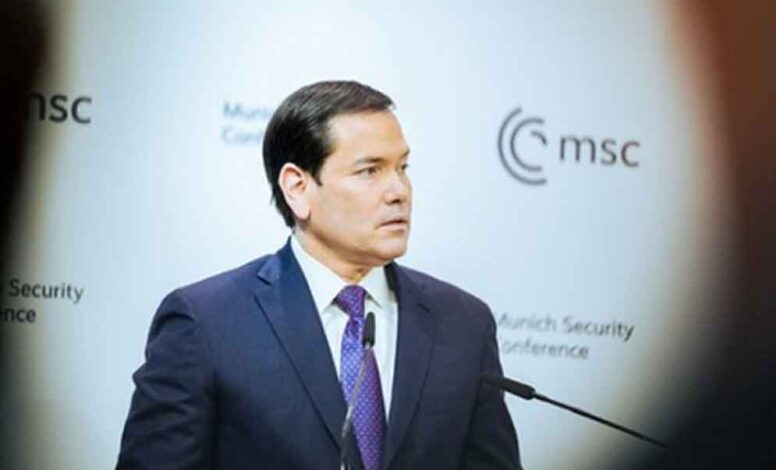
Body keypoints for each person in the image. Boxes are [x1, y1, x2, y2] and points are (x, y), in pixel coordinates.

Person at [117, 80, 521, 470]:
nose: (399, 191)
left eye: (403, 167)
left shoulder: (464, 324)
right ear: (297, 188)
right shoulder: (208, 323)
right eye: (370, 171)